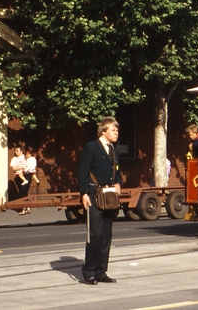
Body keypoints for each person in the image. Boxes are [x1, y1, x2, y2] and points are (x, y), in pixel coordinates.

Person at [77, 117, 122, 285]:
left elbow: (117, 173)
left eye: (117, 130)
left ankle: (101, 271)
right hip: (94, 196)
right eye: (113, 130)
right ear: (104, 131)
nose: (117, 133)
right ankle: (89, 271)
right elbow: (82, 172)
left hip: (109, 198)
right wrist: (84, 193)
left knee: (106, 235)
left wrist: (119, 185)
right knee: (95, 235)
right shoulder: (91, 148)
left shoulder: (114, 150)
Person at [10, 147, 30, 213]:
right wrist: (21, 167)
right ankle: (27, 207)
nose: (15, 152)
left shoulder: (25, 157)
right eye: (15, 150)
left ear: (21, 151)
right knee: (22, 192)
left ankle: (25, 207)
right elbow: (13, 168)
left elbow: (29, 165)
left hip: (26, 176)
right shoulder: (14, 159)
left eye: (17, 150)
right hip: (18, 177)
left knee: (24, 190)